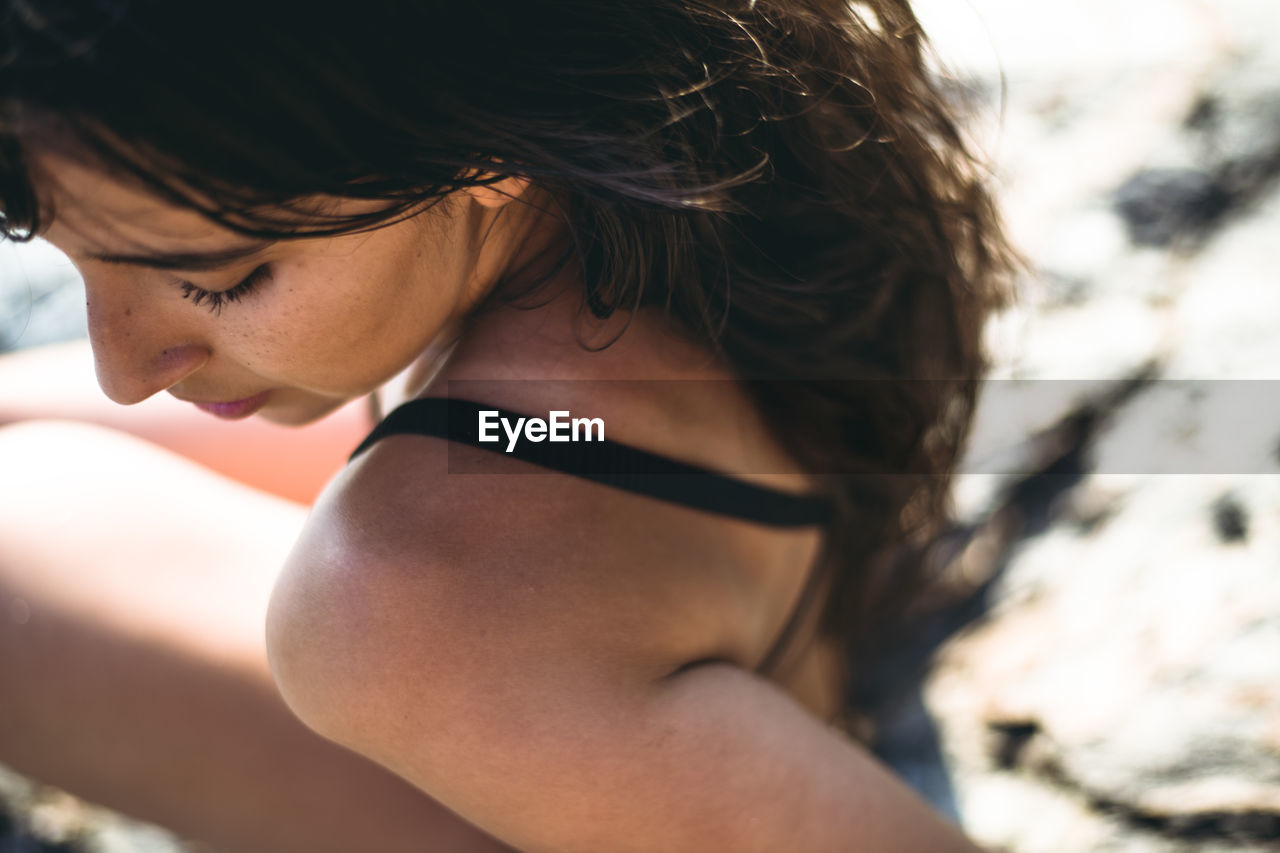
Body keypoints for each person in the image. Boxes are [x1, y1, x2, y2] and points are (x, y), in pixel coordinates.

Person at [0, 1, 1014, 850]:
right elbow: (556, 445)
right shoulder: (676, 133)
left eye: (216, 280)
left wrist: (428, 596)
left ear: (480, 143)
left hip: (568, 720)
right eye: (71, 253)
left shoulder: (414, 610)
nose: (122, 369)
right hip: (672, 526)